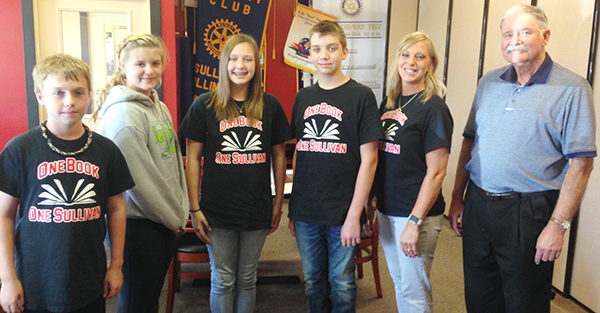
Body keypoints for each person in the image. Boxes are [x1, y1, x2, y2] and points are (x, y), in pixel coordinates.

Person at [448, 5, 596, 313]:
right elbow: (469, 141)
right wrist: (457, 196)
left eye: (525, 32)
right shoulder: (489, 82)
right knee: (479, 296)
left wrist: (558, 224)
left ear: (545, 37)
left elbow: (581, 164)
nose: (515, 40)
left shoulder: (572, 88)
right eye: (508, 34)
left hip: (527, 212)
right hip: (478, 204)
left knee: (523, 302)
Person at [0, 54, 134, 313]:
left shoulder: (106, 150)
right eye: (58, 93)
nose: (69, 101)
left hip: (88, 278)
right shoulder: (20, 149)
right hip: (34, 281)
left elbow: (116, 208)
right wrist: (7, 279)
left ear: (89, 96)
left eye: (78, 92)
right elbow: (3, 215)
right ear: (40, 96)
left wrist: (116, 265)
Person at [179, 33, 291, 313]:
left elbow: (279, 155)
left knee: (247, 277)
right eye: (234, 58)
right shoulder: (204, 104)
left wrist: (277, 203)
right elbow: (192, 158)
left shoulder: (271, 105)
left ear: (257, 65)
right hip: (216, 208)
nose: (240, 65)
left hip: (256, 206)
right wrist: (194, 208)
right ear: (224, 63)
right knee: (223, 279)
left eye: (248, 59)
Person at [288, 20, 384, 313]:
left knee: (342, 283)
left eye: (331, 48)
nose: (324, 55)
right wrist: (294, 208)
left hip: (343, 210)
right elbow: (300, 153)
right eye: (316, 49)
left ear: (344, 51)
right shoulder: (303, 97)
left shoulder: (361, 96)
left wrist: (355, 214)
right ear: (309, 54)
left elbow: (370, 159)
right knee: (314, 281)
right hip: (306, 210)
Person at [96, 34, 189, 313]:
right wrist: (173, 215)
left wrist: (177, 210)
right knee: (137, 303)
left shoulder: (157, 105)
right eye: (140, 64)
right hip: (137, 225)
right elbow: (140, 182)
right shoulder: (124, 116)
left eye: (155, 63)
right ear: (123, 67)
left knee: (149, 300)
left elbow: (172, 164)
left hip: (161, 219)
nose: (149, 70)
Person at [368, 32, 453, 313]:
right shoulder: (389, 103)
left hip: (415, 215)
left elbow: (437, 173)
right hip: (387, 209)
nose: (411, 62)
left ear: (430, 64)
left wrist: (414, 222)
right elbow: (379, 159)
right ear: (397, 60)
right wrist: (371, 203)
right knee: (401, 283)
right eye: (405, 55)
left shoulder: (434, 109)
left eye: (420, 56)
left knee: (415, 292)